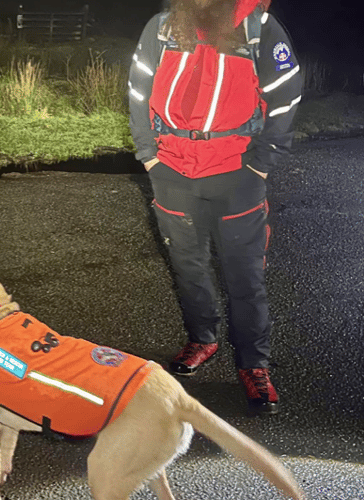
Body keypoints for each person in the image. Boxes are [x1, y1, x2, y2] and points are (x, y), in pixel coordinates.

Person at [127, 0, 302, 416]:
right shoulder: (164, 26)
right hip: (171, 169)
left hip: (236, 173)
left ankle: (253, 364)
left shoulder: (258, 28)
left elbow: (286, 95)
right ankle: (202, 338)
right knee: (188, 265)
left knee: (245, 276)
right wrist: (148, 154)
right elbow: (137, 89)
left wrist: (261, 164)